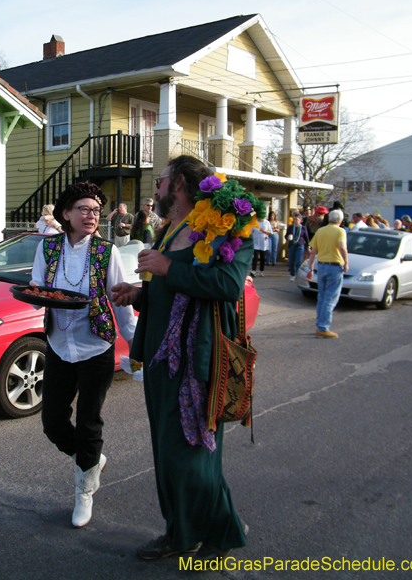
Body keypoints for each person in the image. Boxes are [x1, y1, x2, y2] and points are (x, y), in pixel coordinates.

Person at [111, 155, 254, 560]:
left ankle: (213, 533)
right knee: (168, 451)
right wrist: (139, 293)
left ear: (178, 186)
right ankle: (181, 531)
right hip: (158, 356)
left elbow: (227, 284)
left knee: (190, 452)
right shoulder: (169, 227)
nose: (155, 189)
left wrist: (166, 268)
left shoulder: (229, 227)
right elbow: (167, 287)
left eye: (160, 181)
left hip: (197, 359)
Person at [30, 182, 137, 529]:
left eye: (95, 210)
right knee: (53, 422)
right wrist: (35, 297)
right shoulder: (47, 249)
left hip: (96, 346)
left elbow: (120, 302)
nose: (91, 216)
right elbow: (37, 289)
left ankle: (83, 492)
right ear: (66, 213)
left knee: (90, 421)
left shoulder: (108, 252)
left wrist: (136, 345)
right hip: (60, 344)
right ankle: (91, 460)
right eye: (84, 209)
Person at [306, 209, 348, 338]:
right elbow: (342, 247)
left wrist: (310, 268)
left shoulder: (320, 230)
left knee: (322, 297)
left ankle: (320, 324)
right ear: (340, 221)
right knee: (330, 298)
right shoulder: (340, 231)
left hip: (322, 265)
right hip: (334, 266)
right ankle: (323, 327)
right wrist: (346, 262)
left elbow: (312, 251)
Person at [285, 213, 309, 281]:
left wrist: (308, 246)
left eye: (297, 219)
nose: (295, 221)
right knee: (291, 262)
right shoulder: (290, 227)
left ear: (300, 220)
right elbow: (286, 236)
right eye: (294, 219)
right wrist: (288, 238)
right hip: (291, 246)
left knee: (298, 262)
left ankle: (298, 275)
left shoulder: (303, 228)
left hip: (300, 246)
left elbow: (306, 238)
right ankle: (292, 274)